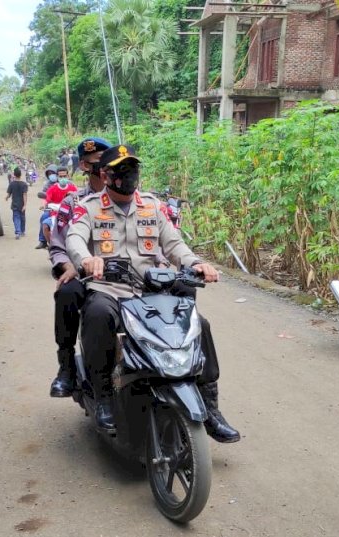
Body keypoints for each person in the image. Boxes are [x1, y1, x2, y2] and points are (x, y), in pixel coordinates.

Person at [66, 145, 240, 442]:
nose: (129, 175)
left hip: (148, 288)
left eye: (132, 168)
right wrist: (86, 260)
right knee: (97, 314)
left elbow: (174, 245)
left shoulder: (152, 206)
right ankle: (104, 396)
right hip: (109, 287)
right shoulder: (90, 207)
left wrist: (196, 263)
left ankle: (210, 405)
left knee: (200, 325)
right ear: (106, 175)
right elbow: (75, 237)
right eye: (122, 170)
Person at [47, 136, 112, 397]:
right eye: (98, 162)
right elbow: (57, 245)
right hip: (85, 275)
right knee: (66, 292)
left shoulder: (128, 197)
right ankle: (66, 367)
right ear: (85, 167)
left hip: (125, 273)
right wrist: (70, 265)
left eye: (108, 161)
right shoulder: (72, 203)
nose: (106, 168)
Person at [41, 169, 77, 245]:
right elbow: (46, 201)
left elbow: (78, 200)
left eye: (64, 176)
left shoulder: (73, 189)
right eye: (60, 176)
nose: (63, 178)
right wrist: (44, 205)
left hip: (70, 215)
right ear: (57, 177)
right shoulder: (52, 189)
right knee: (45, 225)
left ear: (68, 176)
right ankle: (51, 246)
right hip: (55, 214)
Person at [36, 165, 59, 249]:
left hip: (64, 206)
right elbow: (44, 197)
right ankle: (43, 241)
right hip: (51, 207)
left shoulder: (65, 183)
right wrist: (43, 205)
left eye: (53, 173)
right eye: (49, 174)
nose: (51, 175)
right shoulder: (47, 184)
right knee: (44, 217)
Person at [6, 167, 28, 239]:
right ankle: (22, 231)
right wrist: (25, 205)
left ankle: (18, 232)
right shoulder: (24, 184)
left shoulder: (12, 184)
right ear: (20, 175)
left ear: (14, 175)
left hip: (15, 204)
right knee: (22, 218)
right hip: (22, 204)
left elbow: (8, 194)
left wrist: (6, 197)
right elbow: (24, 195)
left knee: (16, 218)